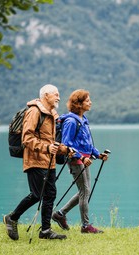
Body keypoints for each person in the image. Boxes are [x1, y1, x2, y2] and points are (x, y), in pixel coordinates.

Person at [3, 84, 72, 241]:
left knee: (50, 194)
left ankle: (45, 230)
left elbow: (51, 141)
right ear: (46, 95)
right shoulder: (34, 112)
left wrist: (66, 150)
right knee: (37, 194)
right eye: (56, 94)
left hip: (49, 161)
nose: (59, 97)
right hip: (35, 160)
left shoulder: (51, 115)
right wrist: (47, 148)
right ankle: (12, 218)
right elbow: (27, 139)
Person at [52, 89, 109, 234]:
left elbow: (86, 144)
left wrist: (98, 154)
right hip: (76, 160)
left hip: (85, 160)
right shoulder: (71, 121)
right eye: (87, 100)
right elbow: (66, 145)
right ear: (79, 104)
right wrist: (81, 157)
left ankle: (60, 214)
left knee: (84, 191)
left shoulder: (83, 120)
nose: (90, 102)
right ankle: (85, 226)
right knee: (85, 191)